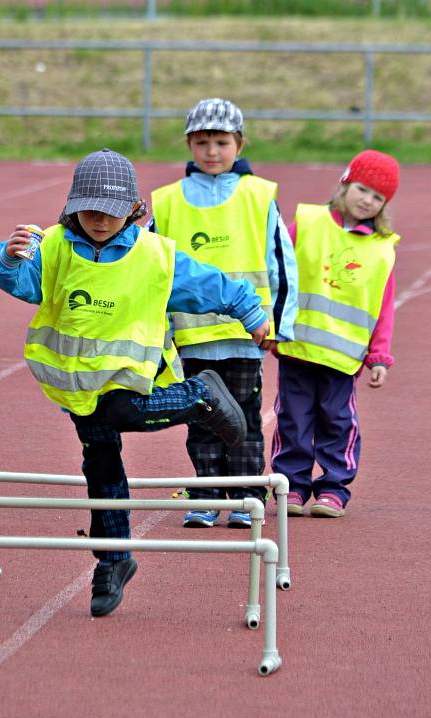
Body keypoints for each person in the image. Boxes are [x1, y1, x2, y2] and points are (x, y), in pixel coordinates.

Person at [0, 148, 269, 618]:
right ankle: (113, 560)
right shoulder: (53, 245)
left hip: (130, 382)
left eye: (112, 212)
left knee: (120, 412)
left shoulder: (154, 256)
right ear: (74, 205)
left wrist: (251, 311)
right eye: (91, 210)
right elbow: (24, 285)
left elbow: (210, 284)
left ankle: (199, 395)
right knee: (101, 468)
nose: (100, 220)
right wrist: (8, 258)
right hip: (78, 389)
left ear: (133, 210)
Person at [149, 98, 298, 529]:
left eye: (221, 142)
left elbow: (281, 264)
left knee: (245, 419)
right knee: (201, 419)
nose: (211, 151)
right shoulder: (168, 201)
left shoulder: (259, 196)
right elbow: (151, 268)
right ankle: (205, 496)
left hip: (245, 338)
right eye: (202, 142)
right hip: (193, 337)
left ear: (239, 143)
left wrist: (279, 326)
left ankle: (248, 497)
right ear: (189, 144)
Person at [271, 149, 400, 518]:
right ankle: (292, 485)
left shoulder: (380, 248)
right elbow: (281, 276)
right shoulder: (308, 222)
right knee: (292, 417)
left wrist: (379, 356)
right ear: (345, 183)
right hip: (298, 348)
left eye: (378, 197)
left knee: (337, 420)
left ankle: (333, 487)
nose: (368, 200)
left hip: (344, 358)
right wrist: (273, 325)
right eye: (363, 189)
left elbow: (383, 307)